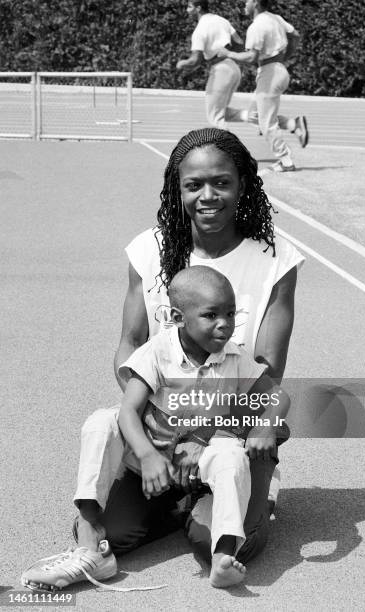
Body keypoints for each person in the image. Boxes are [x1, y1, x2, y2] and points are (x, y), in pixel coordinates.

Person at [21, 127, 304, 591]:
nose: (207, 196)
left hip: (231, 427)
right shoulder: (148, 251)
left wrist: (205, 436)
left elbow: (267, 370)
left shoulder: (276, 261)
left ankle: (243, 489)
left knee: (215, 540)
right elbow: (129, 345)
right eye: (194, 185)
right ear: (177, 189)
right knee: (109, 533)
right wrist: (158, 435)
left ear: (244, 185)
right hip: (161, 421)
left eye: (222, 182)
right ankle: (178, 496)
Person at [118, 266, 290, 587]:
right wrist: (148, 455)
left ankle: (259, 494)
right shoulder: (157, 353)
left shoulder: (234, 356)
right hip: (173, 462)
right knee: (114, 534)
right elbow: (128, 411)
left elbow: (278, 399)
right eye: (211, 315)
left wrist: (264, 426)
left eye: (230, 313)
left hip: (219, 458)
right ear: (178, 317)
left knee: (225, 545)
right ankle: (180, 506)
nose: (224, 324)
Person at [217, 0, 309, 172]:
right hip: (279, 70)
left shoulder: (257, 26)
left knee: (266, 122)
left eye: (247, 1)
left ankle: (286, 160)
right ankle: (293, 124)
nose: (244, 4)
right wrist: (285, 57)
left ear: (256, 3)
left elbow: (252, 57)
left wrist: (228, 54)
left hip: (269, 74)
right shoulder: (276, 18)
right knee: (256, 115)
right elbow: (295, 35)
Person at [176, 0, 255, 128]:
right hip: (234, 69)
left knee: (214, 117)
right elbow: (240, 42)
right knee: (222, 112)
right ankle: (254, 116)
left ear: (198, 8)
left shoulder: (200, 30)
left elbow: (195, 60)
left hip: (220, 71)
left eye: (189, 7)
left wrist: (181, 64)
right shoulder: (222, 20)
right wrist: (230, 54)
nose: (187, 10)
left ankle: (229, 147)